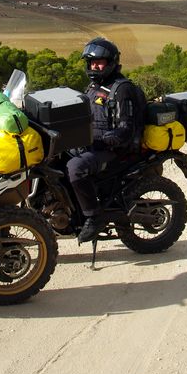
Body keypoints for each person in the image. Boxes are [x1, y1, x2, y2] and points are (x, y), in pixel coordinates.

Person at [66, 37, 145, 243]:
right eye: (92, 63)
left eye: (99, 62)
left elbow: (125, 129)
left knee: (76, 167)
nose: (95, 66)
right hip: (91, 145)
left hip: (114, 150)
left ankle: (93, 217)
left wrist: (105, 141)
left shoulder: (121, 89)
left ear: (111, 63)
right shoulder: (93, 86)